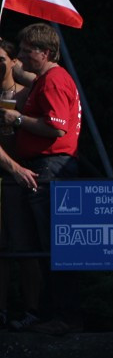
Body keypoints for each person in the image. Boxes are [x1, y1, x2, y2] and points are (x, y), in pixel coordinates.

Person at [0, 23, 82, 335]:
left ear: (44, 52)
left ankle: (64, 316)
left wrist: (17, 119)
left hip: (51, 168)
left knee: (54, 245)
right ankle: (52, 315)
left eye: (25, 51)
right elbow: (22, 77)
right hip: (48, 166)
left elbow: (57, 127)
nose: (19, 56)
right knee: (47, 246)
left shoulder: (54, 81)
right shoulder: (46, 80)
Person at [0, 38, 39, 329]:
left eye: (1, 58)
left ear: (14, 61)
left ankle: (32, 311)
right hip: (10, 176)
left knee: (25, 248)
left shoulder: (29, 93)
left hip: (22, 180)